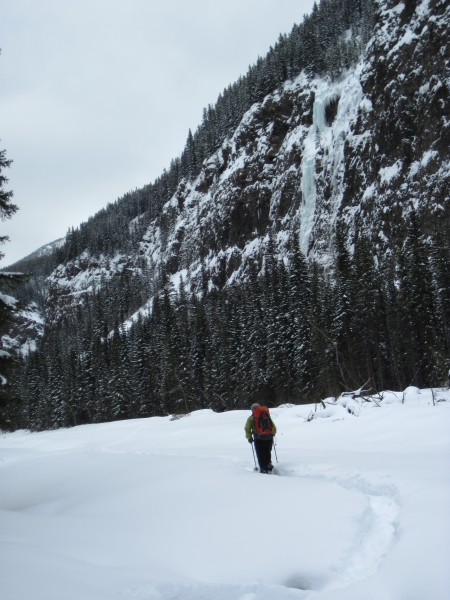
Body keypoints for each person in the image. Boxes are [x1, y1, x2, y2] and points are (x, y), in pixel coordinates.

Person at [245, 402, 277, 473]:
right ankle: (268, 464)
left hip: (258, 438)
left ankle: (263, 468)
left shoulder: (251, 418)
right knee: (267, 452)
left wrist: (249, 438)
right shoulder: (266, 415)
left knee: (260, 453)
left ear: (252, 410)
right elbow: (273, 427)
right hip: (269, 437)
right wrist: (273, 433)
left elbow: (247, 428)